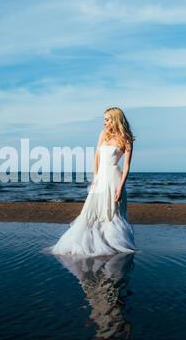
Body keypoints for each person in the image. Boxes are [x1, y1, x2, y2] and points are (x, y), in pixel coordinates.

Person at [47, 107, 137, 257]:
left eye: (107, 119)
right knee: (91, 212)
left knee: (111, 214)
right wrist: (95, 177)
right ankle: (91, 244)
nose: (104, 123)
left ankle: (111, 244)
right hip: (101, 177)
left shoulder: (126, 140)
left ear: (115, 119)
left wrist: (120, 188)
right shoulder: (104, 134)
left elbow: (126, 166)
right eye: (104, 119)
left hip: (114, 178)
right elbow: (97, 155)